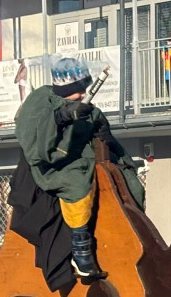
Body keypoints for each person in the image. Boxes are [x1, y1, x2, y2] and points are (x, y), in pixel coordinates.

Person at [15, 55, 143, 280]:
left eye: (85, 89)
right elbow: (33, 141)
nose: (83, 94)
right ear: (64, 89)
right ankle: (80, 247)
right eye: (78, 90)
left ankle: (131, 234)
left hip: (86, 158)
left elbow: (102, 133)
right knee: (77, 182)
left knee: (127, 179)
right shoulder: (40, 100)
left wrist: (113, 148)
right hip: (54, 164)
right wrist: (61, 117)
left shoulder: (86, 106)